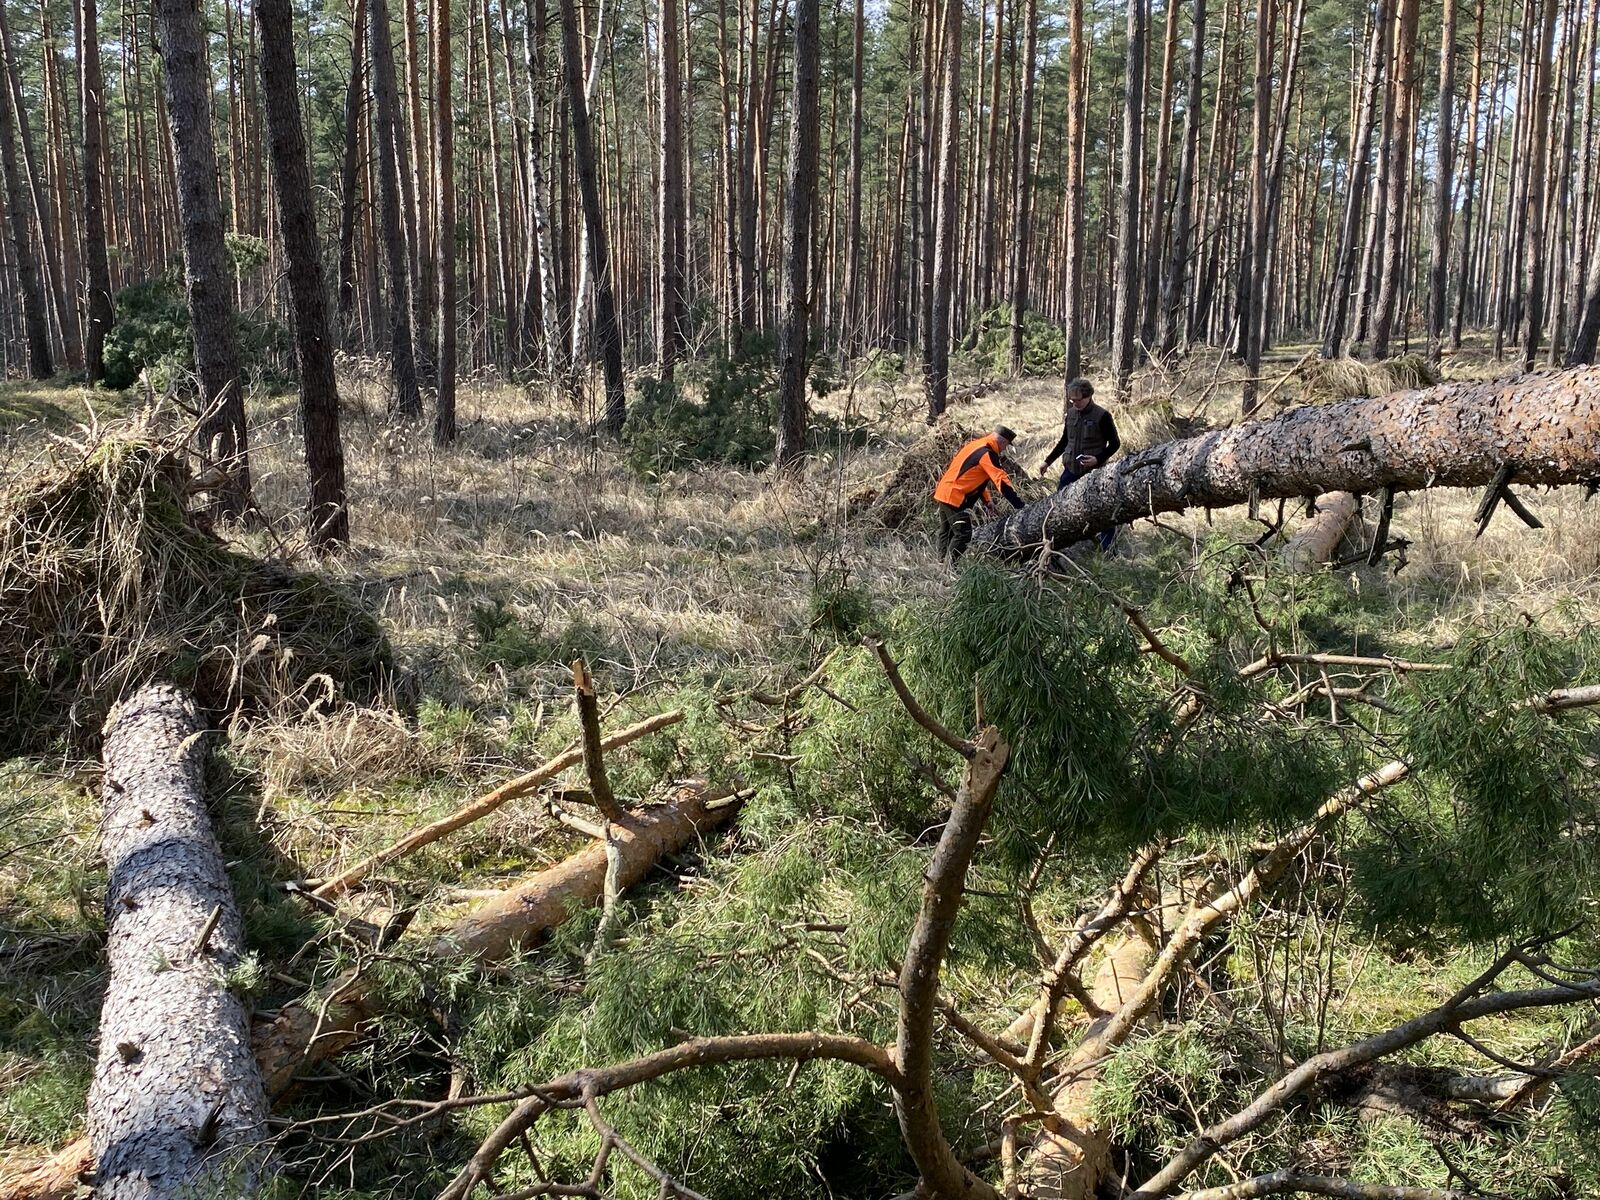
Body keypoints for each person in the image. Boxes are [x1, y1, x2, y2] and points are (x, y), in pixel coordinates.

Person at [1040, 377, 1120, 550]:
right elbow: (1064, 441)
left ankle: (1107, 547)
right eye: (1072, 400)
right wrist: (1047, 461)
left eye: (1078, 400)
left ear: (1088, 396)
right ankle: (1059, 544)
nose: (1074, 403)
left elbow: (1115, 444)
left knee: (1102, 508)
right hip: (1070, 470)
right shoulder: (1071, 414)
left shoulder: (1102, 416)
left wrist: (1097, 459)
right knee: (1059, 506)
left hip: (1094, 473)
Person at [931, 426, 1025, 562]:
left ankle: (941, 564)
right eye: (1006, 446)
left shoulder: (975, 445)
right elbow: (1001, 480)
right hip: (955, 496)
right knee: (963, 534)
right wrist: (1019, 505)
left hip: (945, 491)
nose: (1005, 449)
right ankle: (949, 567)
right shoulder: (987, 454)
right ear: (1002, 442)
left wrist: (987, 501)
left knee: (947, 531)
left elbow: (974, 477)